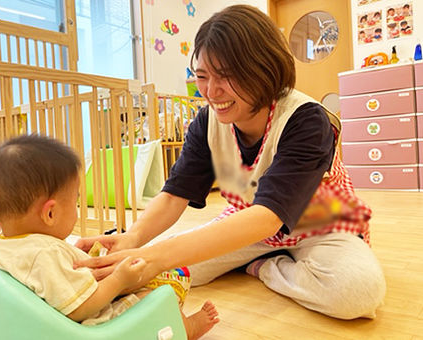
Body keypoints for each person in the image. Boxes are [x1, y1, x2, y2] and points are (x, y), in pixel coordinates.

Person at [74, 5, 386, 320]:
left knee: (357, 293)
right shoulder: (206, 122)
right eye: (202, 76)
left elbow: (268, 216)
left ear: (265, 69)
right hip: (246, 228)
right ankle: (259, 260)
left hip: (319, 226)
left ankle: (265, 267)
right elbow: (173, 195)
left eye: (227, 76)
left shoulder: (306, 118)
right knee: (142, 269)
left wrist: (154, 256)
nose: (211, 91)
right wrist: (133, 239)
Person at [0, 135, 218, 339]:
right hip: (89, 324)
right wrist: (120, 280)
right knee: (153, 295)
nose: (77, 209)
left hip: (41, 321)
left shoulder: (6, 244)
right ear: (50, 213)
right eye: (75, 201)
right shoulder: (45, 253)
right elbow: (80, 307)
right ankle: (186, 328)